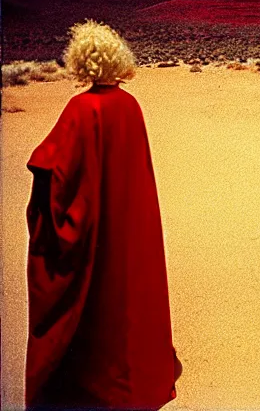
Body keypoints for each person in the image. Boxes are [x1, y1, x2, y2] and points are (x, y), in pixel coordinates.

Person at [25, 20, 182, 410]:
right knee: (125, 298)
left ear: (80, 60)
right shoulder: (129, 105)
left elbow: (54, 167)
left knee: (94, 304)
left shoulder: (82, 108)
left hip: (97, 228)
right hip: (126, 227)